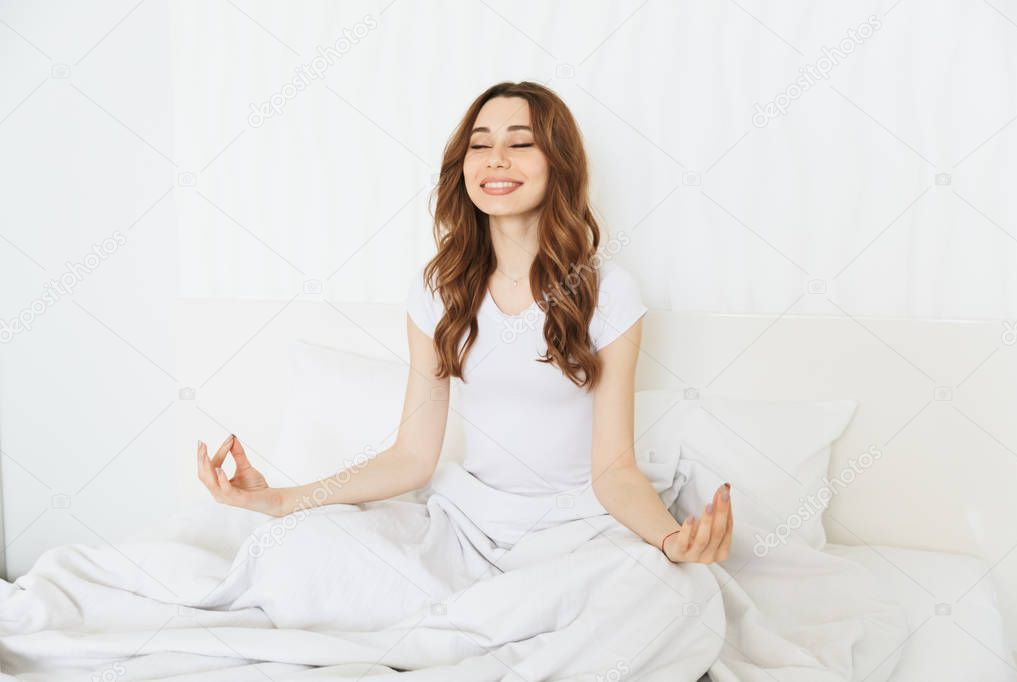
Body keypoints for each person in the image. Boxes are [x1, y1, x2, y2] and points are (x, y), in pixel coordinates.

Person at [196, 80, 732, 568]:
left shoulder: (608, 291)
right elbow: (410, 457)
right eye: (480, 145)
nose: (496, 159)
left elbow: (614, 473)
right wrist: (283, 499)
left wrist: (668, 540)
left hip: (581, 528)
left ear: (558, 164)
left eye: (520, 144)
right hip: (472, 526)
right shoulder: (437, 292)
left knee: (665, 604)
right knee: (300, 557)